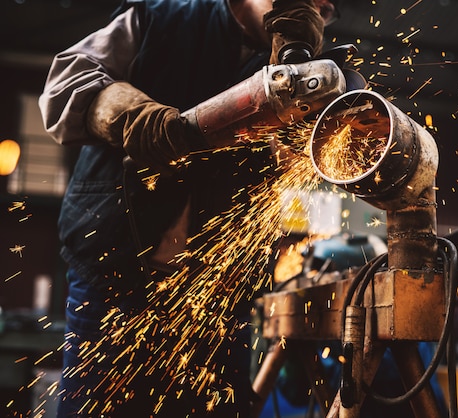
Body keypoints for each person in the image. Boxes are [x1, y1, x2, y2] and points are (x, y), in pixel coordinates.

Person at [38, 0, 343, 416]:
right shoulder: (161, 17)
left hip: (217, 300)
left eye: (322, 6)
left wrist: (297, 98)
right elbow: (64, 84)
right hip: (113, 281)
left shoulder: (315, 73)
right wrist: (129, 115)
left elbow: (317, 161)